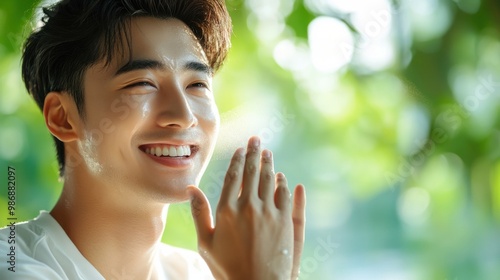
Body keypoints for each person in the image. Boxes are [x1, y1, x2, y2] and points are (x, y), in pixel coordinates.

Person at [0, 0, 306, 279]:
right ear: (63, 117)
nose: (183, 115)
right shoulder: (13, 265)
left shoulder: (204, 273)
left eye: (197, 84)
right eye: (142, 83)